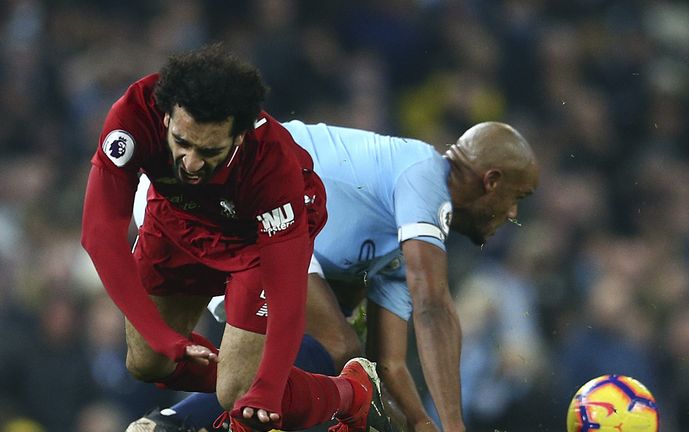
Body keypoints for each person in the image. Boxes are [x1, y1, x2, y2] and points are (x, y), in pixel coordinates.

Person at [129, 120, 540, 432]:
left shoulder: (404, 240)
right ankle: (177, 423)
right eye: (517, 198)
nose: (513, 213)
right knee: (336, 347)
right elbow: (432, 307)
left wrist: (418, 423)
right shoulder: (425, 176)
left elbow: (386, 366)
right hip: (221, 189)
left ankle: (173, 421)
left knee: (336, 361)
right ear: (492, 181)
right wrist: (453, 426)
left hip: (230, 208)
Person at [80, 44, 392, 432]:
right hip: (177, 217)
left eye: (208, 150)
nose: (191, 162)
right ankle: (260, 379)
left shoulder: (273, 166)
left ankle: (352, 395)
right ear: (166, 117)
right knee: (147, 362)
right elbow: (99, 235)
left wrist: (269, 387)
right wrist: (160, 337)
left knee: (238, 394)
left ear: (239, 137)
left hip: (251, 239)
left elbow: (286, 292)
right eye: (181, 142)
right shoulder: (134, 115)